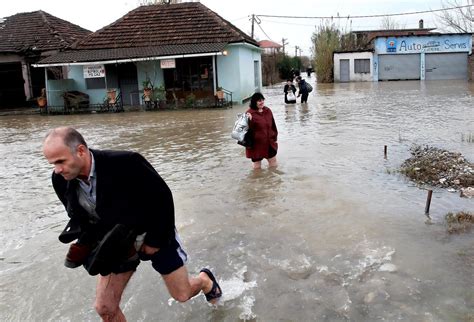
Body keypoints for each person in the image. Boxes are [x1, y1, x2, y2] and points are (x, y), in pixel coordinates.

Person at [42, 127, 222, 321]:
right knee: (105, 308)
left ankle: (205, 281)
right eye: (52, 163)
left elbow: (162, 198)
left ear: (81, 151)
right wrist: (85, 242)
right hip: (117, 241)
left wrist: (154, 241)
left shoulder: (126, 162)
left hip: (155, 229)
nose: (57, 169)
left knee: (182, 294)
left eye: (61, 161)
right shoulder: (60, 180)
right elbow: (81, 217)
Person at [245, 93, 278, 169]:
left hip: (269, 143)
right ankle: (257, 181)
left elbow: (273, 125)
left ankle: (272, 180)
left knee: (273, 164)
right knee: (257, 167)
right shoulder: (249, 113)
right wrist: (250, 120)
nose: (262, 102)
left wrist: (275, 137)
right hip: (256, 145)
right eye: (259, 101)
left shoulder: (268, 110)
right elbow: (246, 131)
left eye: (263, 100)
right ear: (254, 102)